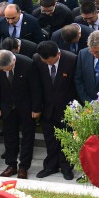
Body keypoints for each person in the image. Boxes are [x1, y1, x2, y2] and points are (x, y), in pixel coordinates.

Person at [0, 50, 40, 179]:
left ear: (13, 61)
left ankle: (23, 167)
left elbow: (35, 88)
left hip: (26, 107)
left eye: (7, 68)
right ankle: (11, 165)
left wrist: (36, 108)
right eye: (2, 69)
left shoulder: (28, 64)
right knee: (9, 136)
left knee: (27, 137)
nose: (4, 71)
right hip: (6, 106)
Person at [33, 41, 78, 179]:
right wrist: (36, 107)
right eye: (45, 61)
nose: (48, 64)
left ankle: (66, 167)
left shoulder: (71, 59)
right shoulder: (37, 59)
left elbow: (76, 84)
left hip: (66, 108)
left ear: (58, 54)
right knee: (50, 139)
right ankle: (50, 166)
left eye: (50, 62)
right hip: (47, 108)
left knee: (67, 139)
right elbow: (36, 85)